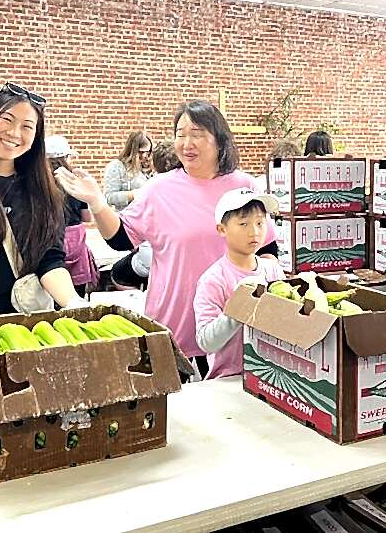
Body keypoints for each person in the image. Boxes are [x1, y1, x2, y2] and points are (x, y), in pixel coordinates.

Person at [55, 100, 278, 373]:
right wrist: (97, 202)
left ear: (219, 139)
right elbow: (121, 239)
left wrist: (258, 288)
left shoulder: (243, 185)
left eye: (196, 134)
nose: (187, 143)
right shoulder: (159, 189)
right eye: (180, 134)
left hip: (232, 328)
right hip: (174, 323)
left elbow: (268, 249)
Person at [0, 83, 85, 319]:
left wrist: (74, 302)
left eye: (27, 126)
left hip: (25, 325)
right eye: (7, 119)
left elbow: (50, 259)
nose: (15, 133)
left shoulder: (45, 191)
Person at [194, 189, 285, 380]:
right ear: (222, 229)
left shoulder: (273, 271)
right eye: (243, 224)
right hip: (230, 379)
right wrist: (237, 310)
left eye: (260, 223)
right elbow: (206, 342)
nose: (254, 232)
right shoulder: (214, 280)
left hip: (272, 377)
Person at [109, 140, 180, 291]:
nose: (145, 158)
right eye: (142, 153)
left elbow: (121, 237)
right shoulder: (192, 185)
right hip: (177, 256)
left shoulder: (153, 187)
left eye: (147, 154)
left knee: (118, 273)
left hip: (156, 255)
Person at [46, 134, 99, 297]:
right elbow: (87, 218)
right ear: (66, 157)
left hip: (51, 246)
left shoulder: (41, 184)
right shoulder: (75, 183)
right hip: (77, 244)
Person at [103, 131, 152, 211]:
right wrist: (132, 195)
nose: (144, 156)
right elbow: (108, 197)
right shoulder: (117, 166)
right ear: (132, 150)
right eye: (141, 152)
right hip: (125, 216)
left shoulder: (147, 167)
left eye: (147, 152)